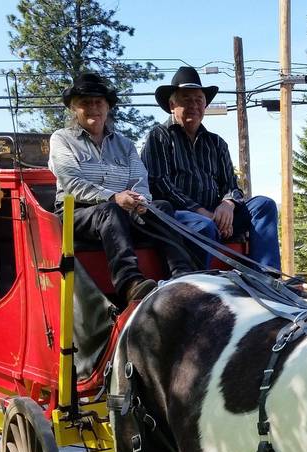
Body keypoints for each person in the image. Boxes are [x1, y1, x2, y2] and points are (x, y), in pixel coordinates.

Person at [48, 71, 196, 304]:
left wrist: (141, 202)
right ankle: (129, 282)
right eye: (85, 103)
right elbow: (72, 184)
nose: (93, 108)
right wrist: (114, 197)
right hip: (75, 214)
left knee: (161, 207)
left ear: (107, 108)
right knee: (110, 211)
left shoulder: (124, 144)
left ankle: (182, 273)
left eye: (99, 102)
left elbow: (139, 180)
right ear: (74, 109)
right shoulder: (62, 139)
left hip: (124, 210)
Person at [142, 66, 281, 269]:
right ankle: (199, 289)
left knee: (264, 205)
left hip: (216, 216)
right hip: (177, 217)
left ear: (205, 105)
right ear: (172, 105)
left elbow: (232, 186)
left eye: (199, 99)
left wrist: (228, 204)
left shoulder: (216, 143)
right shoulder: (159, 136)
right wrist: (202, 213)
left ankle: (267, 277)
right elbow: (160, 184)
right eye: (186, 99)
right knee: (204, 225)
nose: (194, 105)